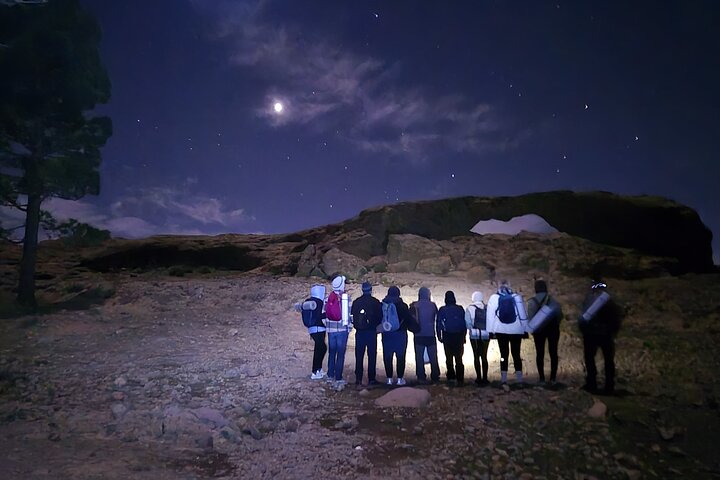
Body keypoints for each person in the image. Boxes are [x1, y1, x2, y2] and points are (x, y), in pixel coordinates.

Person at [578, 281, 623, 394]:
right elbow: (616, 319)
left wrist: (584, 331)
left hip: (591, 334)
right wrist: (613, 332)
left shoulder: (589, 300)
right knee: (608, 360)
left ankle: (592, 383)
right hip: (606, 335)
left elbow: (583, 318)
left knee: (590, 359)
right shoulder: (609, 302)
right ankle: (609, 385)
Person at [486, 280, 526, 386]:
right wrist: (524, 329)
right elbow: (522, 314)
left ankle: (504, 379)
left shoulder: (494, 298)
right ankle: (519, 379)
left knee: (503, 354)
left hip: (501, 330)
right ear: (509, 285)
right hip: (516, 330)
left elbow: (490, 316)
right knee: (516, 354)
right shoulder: (516, 297)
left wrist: (490, 331)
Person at [527, 280, 564, 385]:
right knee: (553, 353)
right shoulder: (553, 300)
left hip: (539, 331)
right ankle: (553, 378)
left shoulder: (532, 301)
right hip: (553, 329)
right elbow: (560, 315)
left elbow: (530, 318)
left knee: (540, 353)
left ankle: (542, 378)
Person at [380, 286, 416, 386]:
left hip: (387, 334)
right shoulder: (403, 306)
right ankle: (400, 379)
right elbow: (408, 319)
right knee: (400, 356)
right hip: (400, 334)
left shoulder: (383, 305)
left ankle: (389, 379)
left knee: (387, 356)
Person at [351, 281, 383, 386]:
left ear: (362, 290)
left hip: (359, 332)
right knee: (372, 355)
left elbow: (352, 317)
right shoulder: (375, 302)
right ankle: (371, 379)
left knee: (359, 356)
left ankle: (358, 379)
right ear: (371, 290)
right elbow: (380, 318)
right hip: (371, 332)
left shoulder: (356, 302)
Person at [409, 287, 440, 384]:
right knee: (433, 356)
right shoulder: (432, 305)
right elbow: (436, 317)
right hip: (430, 334)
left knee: (419, 356)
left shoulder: (415, 305)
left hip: (418, 334)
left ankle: (421, 376)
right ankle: (435, 375)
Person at [325, 275, 351, 389]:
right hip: (342, 330)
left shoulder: (327, 298)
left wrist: (327, 326)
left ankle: (330, 376)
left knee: (331, 353)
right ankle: (338, 378)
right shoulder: (346, 298)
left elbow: (323, 314)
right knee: (340, 354)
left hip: (331, 331)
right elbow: (350, 315)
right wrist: (349, 328)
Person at [437, 290, 467, 387]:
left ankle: (451, 377)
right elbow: (464, 323)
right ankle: (460, 379)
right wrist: (464, 336)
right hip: (459, 336)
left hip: (447, 336)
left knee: (449, 358)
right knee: (459, 358)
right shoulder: (460, 309)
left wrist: (439, 336)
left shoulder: (442, 309)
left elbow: (438, 324)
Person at [297, 284, 327, 380]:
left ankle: (318, 369)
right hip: (319, 328)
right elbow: (321, 315)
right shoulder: (319, 302)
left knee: (319, 348)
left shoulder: (308, 301)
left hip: (311, 329)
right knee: (322, 348)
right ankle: (315, 371)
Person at [465, 291, 490, 385]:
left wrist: (472, 329)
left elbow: (467, 323)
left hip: (474, 335)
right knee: (484, 356)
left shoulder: (469, 308)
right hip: (485, 335)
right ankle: (485, 378)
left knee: (476, 356)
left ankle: (478, 378)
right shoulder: (487, 308)